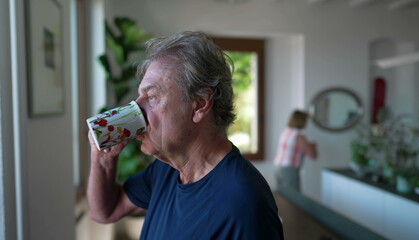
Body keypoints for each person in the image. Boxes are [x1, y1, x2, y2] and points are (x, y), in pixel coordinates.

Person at [87, 31, 284, 240]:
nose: (136, 109)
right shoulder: (166, 169)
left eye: (152, 97)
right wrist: (102, 159)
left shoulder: (244, 204)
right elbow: (105, 211)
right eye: (140, 96)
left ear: (199, 104)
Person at [274, 110, 317, 192]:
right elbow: (313, 154)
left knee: (283, 195)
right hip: (289, 169)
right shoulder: (299, 135)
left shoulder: (286, 131)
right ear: (302, 121)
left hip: (278, 167)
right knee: (293, 196)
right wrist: (313, 146)